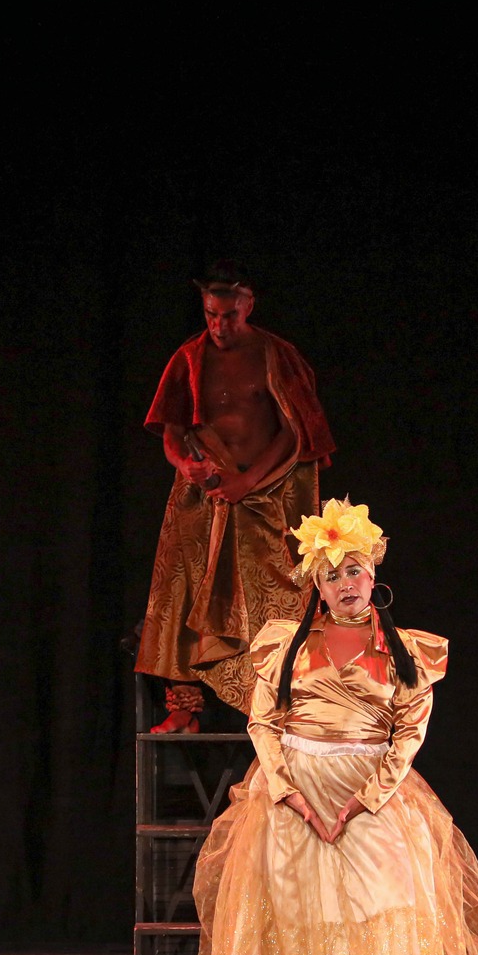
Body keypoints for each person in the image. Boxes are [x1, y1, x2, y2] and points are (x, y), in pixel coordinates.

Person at [194, 499, 478, 955]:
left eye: (354, 571)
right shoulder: (288, 646)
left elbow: (409, 732)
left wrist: (364, 800)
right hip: (297, 785)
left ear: (373, 573)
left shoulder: (405, 651)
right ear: (318, 587)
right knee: (300, 910)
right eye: (332, 576)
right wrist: (289, 794)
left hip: (371, 787)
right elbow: (264, 722)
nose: (346, 585)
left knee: (383, 905)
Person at [136, 260, 337, 730]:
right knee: (183, 586)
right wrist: (185, 464)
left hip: (265, 490)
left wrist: (247, 482)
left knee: (274, 596)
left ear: (248, 307)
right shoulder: (190, 357)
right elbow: (172, 431)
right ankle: (184, 705)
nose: (219, 326)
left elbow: (295, 432)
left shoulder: (276, 355)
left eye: (229, 315)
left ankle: (276, 705)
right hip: (204, 491)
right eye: (211, 314)